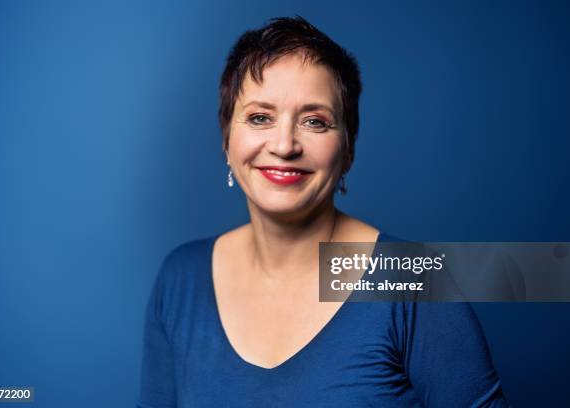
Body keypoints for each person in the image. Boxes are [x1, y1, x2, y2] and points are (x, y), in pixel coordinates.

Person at [137, 16, 508, 407]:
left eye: (315, 121)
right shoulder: (180, 279)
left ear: (347, 150)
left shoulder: (411, 282)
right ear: (227, 139)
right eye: (260, 117)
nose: (284, 145)